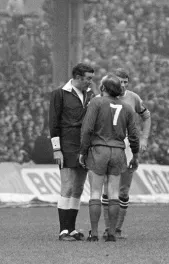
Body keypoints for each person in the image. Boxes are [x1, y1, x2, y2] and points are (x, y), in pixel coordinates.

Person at [79, 73, 140, 242]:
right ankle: (112, 233)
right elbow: (134, 135)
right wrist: (135, 155)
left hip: (99, 150)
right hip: (118, 151)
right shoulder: (127, 108)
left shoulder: (96, 102)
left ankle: (94, 233)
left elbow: (87, 129)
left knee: (96, 192)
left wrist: (83, 151)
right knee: (114, 193)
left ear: (104, 88)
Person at [101, 68, 151, 239]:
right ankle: (108, 229)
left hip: (129, 147)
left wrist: (143, 139)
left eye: (125, 82)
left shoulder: (133, 98)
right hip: (107, 145)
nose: (122, 85)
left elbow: (147, 116)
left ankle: (118, 229)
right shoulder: (102, 98)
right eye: (119, 81)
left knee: (123, 190)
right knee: (108, 188)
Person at [49, 63, 95, 241]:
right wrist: (56, 149)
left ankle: (72, 229)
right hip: (67, 144)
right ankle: (63, 231)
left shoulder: (90, 94)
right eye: (88, 78)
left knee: (78, 188)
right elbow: (53, 123)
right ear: (77, 77)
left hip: (84, 145)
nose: (90, 82)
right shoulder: (59, 94)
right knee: (67, 186)